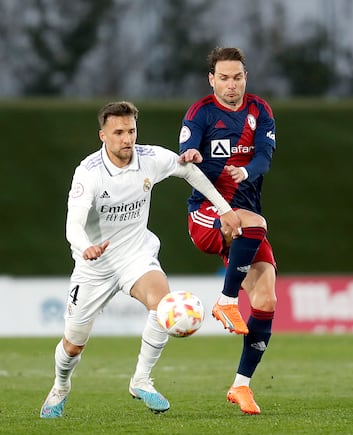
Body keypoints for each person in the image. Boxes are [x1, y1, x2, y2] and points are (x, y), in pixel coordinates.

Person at [39, 100, 240, 418]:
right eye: (118, 132)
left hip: (136, 255)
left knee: (162, 306)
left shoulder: (151, 158)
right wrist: (84, 246)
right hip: (95, 266)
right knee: (73, 345)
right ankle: (60, 387)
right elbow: (73, 224)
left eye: (131, 130)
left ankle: (141, 380)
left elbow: (189, 171)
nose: (126, 138)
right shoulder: (88, 173)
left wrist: (224, 209)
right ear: (102, 135)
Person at [179, 47, 277, 415]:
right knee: (254, 223)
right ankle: (226, 300)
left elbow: (264, 157)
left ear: (245, 77)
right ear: (212, 79)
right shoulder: (200, 112)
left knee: (267, 299)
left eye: (237, 77)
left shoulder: (260, 110)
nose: (231, 84)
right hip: (206, 215)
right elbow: (186, 154)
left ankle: (241, 386)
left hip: (244, 220)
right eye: (224, 77)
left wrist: (247, 172)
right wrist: (191, 157)